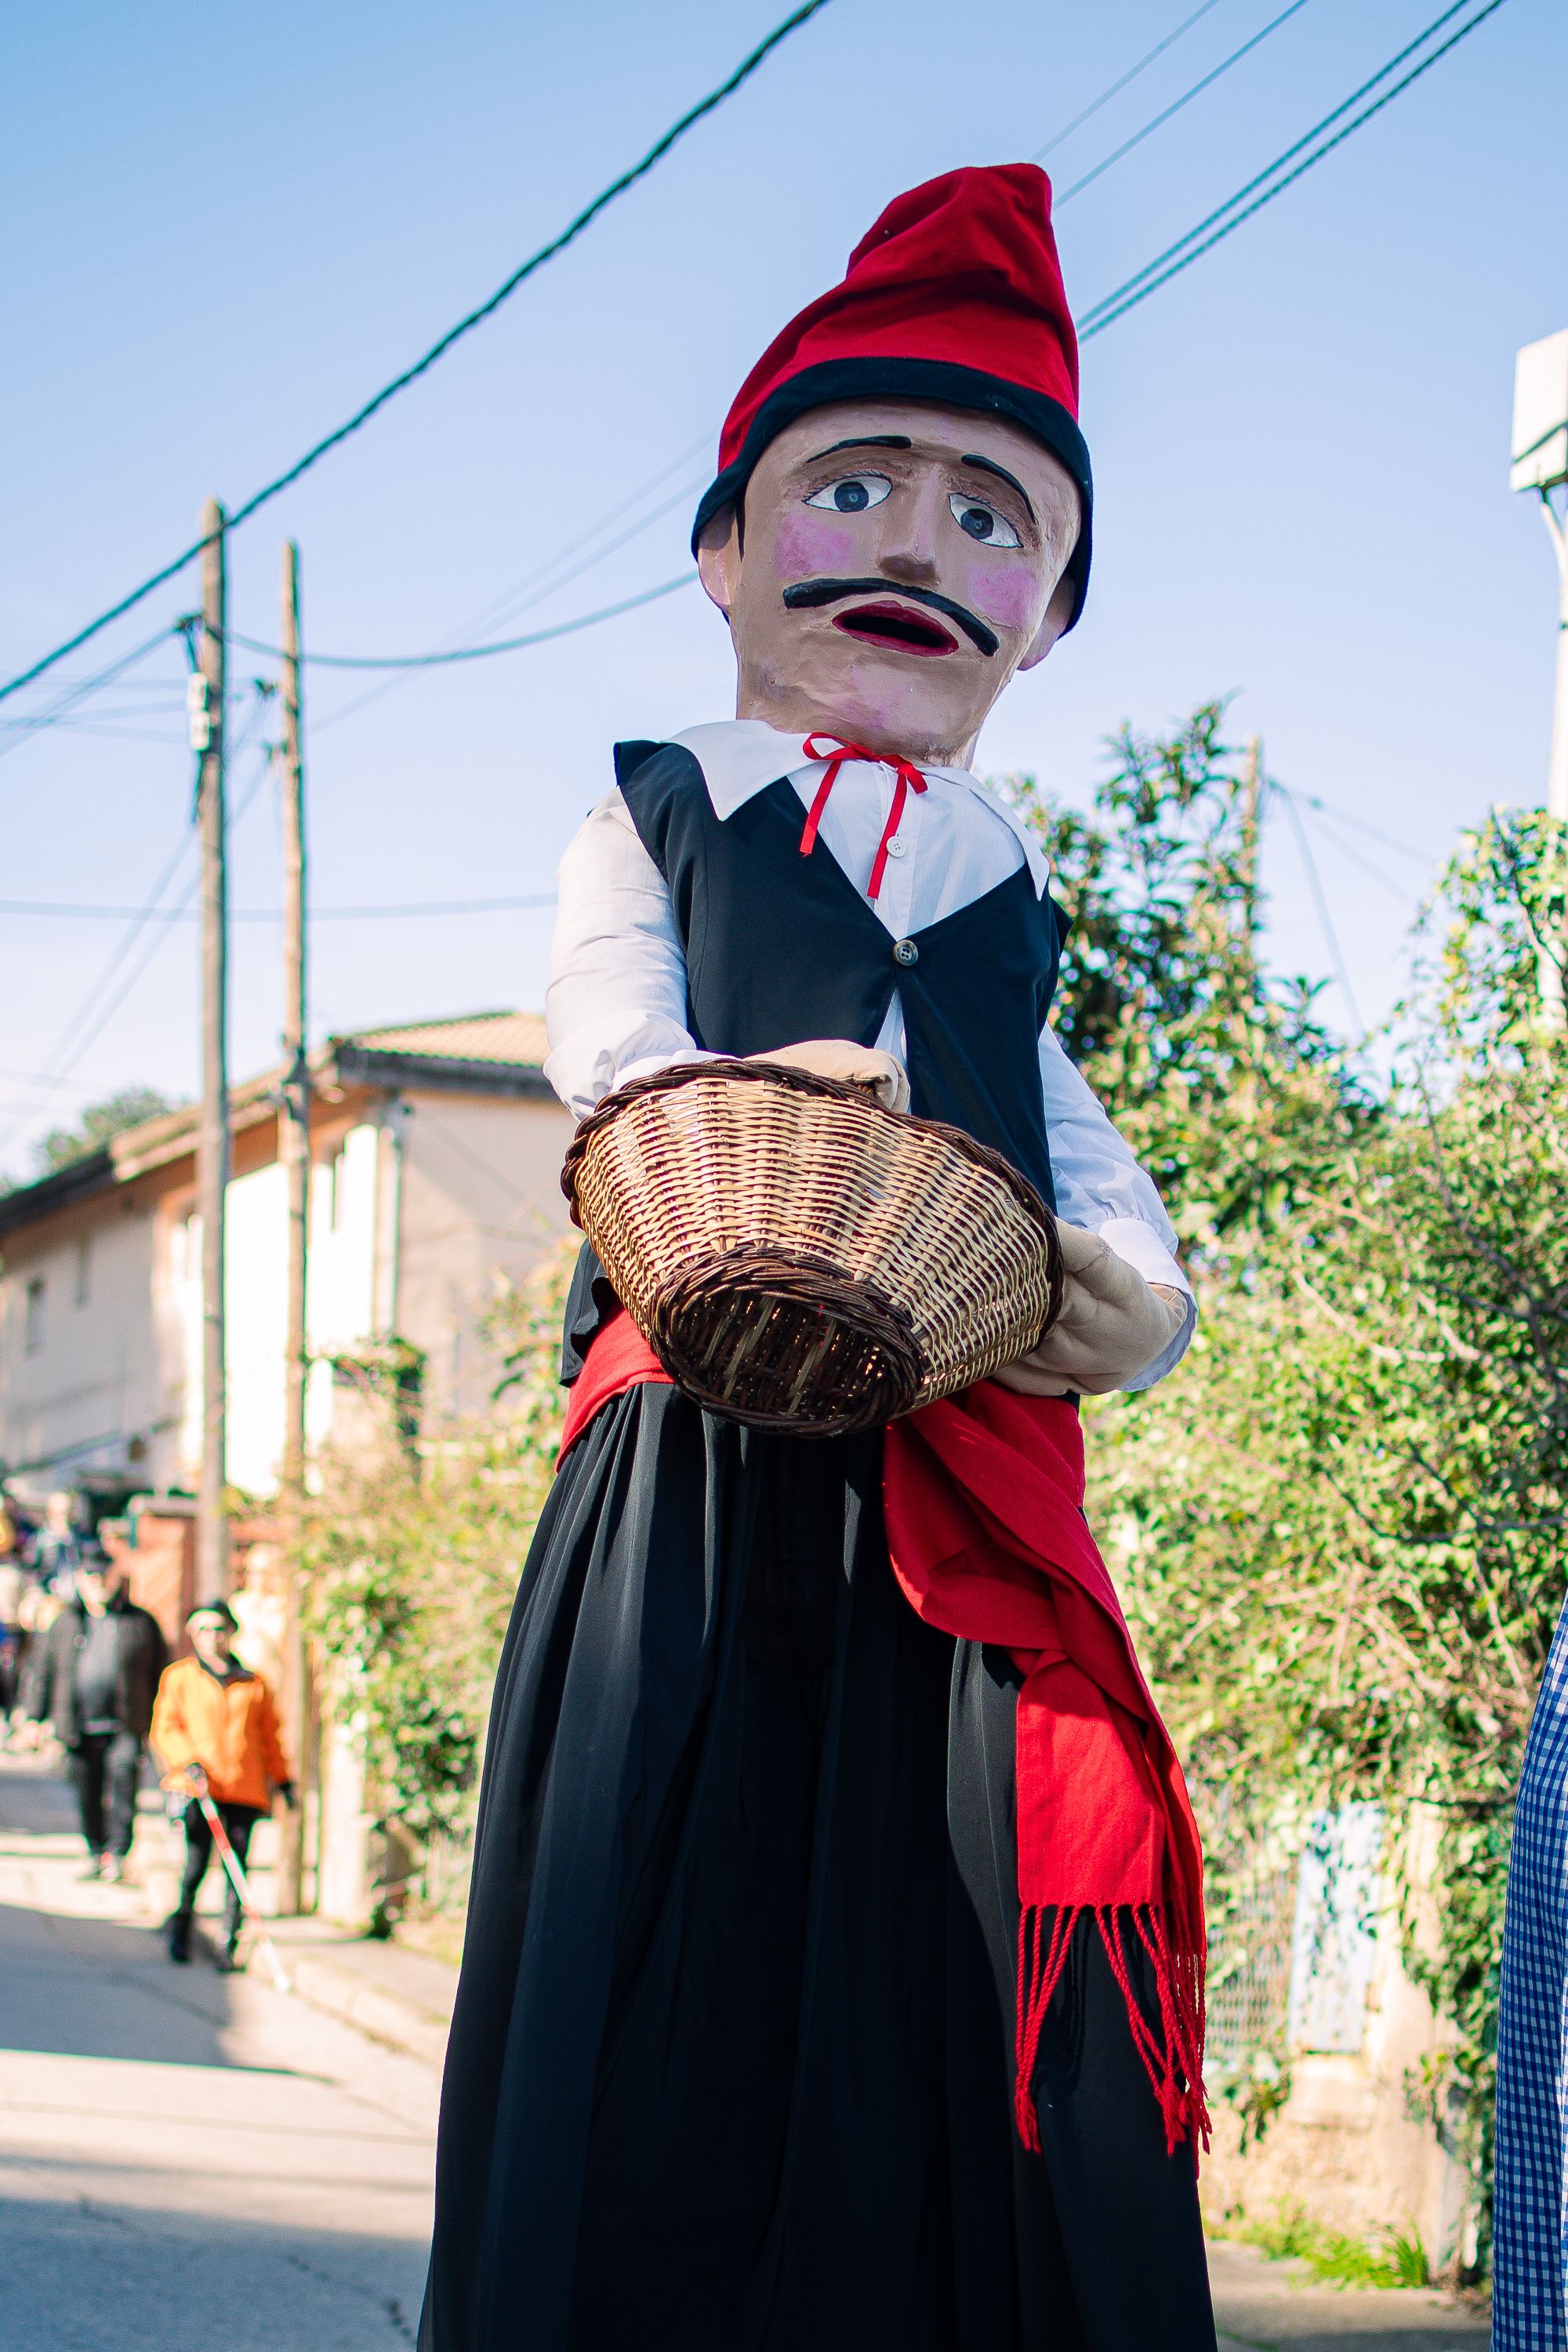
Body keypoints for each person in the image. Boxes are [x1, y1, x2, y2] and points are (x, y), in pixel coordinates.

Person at [420, 167, 1214, 2352]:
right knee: (664, 1975)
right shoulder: (662, 808)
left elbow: (1080, 1162)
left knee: (920, 2006)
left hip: (942, 1490)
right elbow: (606, 1025)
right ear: (726, 552)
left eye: (992, 514)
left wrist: (1119, 1291)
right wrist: (714, 1105)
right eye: (851, 483)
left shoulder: (1008, 897)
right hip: (685, 1471)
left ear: (1047, 611)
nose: (914, 545)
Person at [151, 1600, 293, 1971]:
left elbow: (269, 1738)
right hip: (200, 1786)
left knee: (237, 1866)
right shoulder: (179, 1677)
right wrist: (187, 1760)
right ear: (192, 1636)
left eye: (218, 1629)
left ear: (231, 1631)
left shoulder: (254, 1683)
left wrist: (283, 1779)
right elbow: (166, 1728)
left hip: (244, 1788)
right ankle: (181, 1924)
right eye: (202, 1630)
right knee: (196, 1862)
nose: (211, 1638)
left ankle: (230, 1939)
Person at [26, 1547, 167, 1882]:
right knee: (86, 1789)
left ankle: (118, 1853)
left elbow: (161, 1672)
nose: (98, 1583)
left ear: (116, 1577)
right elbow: (43, 1670)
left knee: (122, 1783)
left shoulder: (141, 1622)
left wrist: (160, 1721)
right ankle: (95, 1850)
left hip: (125, 1723)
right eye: (91, 1577)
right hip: (78, 1725)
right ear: (80, 1580)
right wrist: (34, 1716)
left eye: (103, 1576)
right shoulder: (65, 1621)